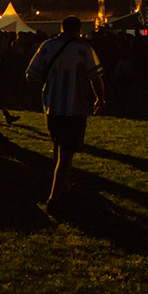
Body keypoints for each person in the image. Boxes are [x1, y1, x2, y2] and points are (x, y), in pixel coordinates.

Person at [26, 16, 105, 213]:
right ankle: (54, 199)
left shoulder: (47, 46)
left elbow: (31, 75)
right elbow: (96, 77)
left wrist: (52, 80)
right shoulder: (84, 48)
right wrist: (100, 99)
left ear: (61, 28)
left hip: (52, 107)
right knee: (66, 153)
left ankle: (66, 187)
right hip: (74, 108)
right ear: (79, 29)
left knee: (58, 150)